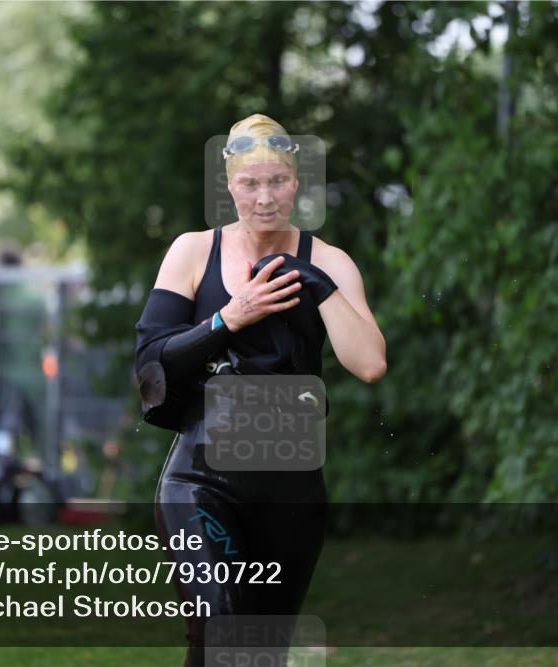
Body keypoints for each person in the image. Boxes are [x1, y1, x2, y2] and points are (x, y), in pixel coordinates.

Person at [135, 113, 386, 666]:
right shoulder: (193, 252)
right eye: (250, 183)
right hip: (200, 480)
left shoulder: (329, 262)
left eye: (277, 181)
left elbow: (369, 364)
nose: (265, 196)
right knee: (222, 628)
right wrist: (229, 319)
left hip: (290, 486)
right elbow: (150, 366)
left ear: (297, 183)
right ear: (230, 186)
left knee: (258, 653)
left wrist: (315, 283)